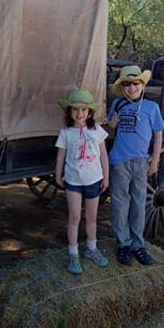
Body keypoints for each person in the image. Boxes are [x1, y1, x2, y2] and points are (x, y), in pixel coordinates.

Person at [106, 65, 164, 266]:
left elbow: (158, 135)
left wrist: (155, 160)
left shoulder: (151, 108)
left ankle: (138, 245)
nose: (132, 88)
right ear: (123, 88)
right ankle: (123, 244)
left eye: (135, 83)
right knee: (120, 203)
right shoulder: (118, 105)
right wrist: (112, 124)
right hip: (120, 161)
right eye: (127, 85)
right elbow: (111, 127)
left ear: (143, 85)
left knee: (138, 203)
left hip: (141, 162)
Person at [54, 88, 110, 274]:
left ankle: (92, 249)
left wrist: (106, 176)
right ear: (70, 112)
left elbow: (103, 155)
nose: (80, 114)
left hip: (93, 180)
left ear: (90, 112)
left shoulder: (97, 130)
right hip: (73, 181)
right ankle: (73, 254)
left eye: (84, 110)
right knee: (75, 217)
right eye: (76, 110)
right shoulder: (66, 133)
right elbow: (61, 156)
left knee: (92, 217)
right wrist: (57, 174)